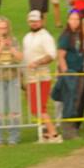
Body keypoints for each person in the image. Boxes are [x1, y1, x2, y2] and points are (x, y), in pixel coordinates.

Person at [23, 10, 62, 142]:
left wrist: (37, 62)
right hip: (30, 77)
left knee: (39, 107)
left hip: (41, 76)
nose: (34, 23)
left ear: (41, 21)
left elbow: (51, 55)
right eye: (32, 21)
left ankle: (54, 133)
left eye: (36, 21)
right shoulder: (27, 37)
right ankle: (47, 132)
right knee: (34, 107)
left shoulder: (46, 36)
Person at [0, 17, 24, 145]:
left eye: (5, 27)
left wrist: (11, 48)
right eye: (0, 28)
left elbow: (20, 57)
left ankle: (14, 136)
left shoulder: (13, 41)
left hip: (12, 78)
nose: (3, 30)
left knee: (14, 109)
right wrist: (0, 46)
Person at [56, 10, 84, 139]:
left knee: (76, 101)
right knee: (69, 102)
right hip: (70, 73)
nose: (75, 22)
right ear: (68, 20)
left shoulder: (80, 35)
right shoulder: (66, 36)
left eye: (77, 19)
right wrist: (66, 74)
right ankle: (68, 131)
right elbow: (61, 56)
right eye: (72, 19)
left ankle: (72, 128)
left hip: (79, 71)